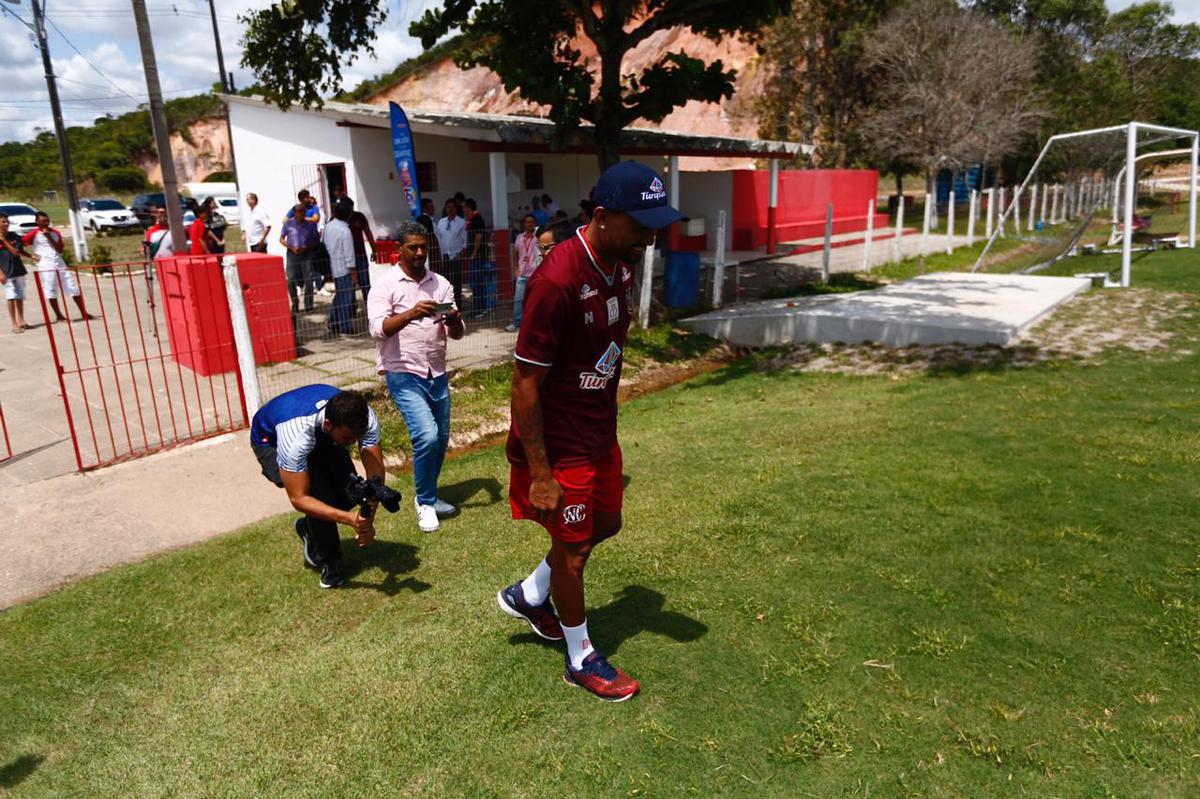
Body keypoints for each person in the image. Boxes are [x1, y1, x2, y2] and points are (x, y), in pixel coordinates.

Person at [497, 161, 683, 702]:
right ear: (602, 217)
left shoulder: (620, 263)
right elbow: (525, 383)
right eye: (642, 223)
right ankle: (580, 657)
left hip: (600, 431)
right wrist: (540, 471)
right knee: (573, 552)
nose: (653, 235)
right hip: (560, 445)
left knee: (607, 523)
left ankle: (531, 592)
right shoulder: (556, 281)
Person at [367, 220, 465, 534]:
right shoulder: (386, 285)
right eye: (413, 247)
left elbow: (457, 334)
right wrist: (411, 313)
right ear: (399, 250)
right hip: (403, 372)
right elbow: (377, 329)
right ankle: (423, 502)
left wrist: (455, 321)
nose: (420, 253)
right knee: (426, 435)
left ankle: (431, 496)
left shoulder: (441, 284)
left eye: (424, 247)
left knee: (441, 440)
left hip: (436, 372)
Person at [250, 385, 383, 589]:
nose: (354, 442)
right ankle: (331, 562)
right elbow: (299, 499)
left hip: (320, 429)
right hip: (271, 440)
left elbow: (375, 477)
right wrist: (350, 519)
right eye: (349, 438)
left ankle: (308, 528)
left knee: (349, 492)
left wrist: (367, 521)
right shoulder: (295, 438)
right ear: (329, 425)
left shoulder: (364, 417)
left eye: (358, 436)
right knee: (318, 494)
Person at [22, 212, 94, 322]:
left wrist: (49, 236)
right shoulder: (33, 234)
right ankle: (59, 315)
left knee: (72, 287)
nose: (46, 223)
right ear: (37, 222)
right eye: (43, 221)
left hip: (59, 262)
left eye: (47, 221)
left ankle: (83, 312)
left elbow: (60, 250)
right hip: (45, 264)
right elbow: (19, 245)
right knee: (51, 289)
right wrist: (31, 256)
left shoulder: (55, 233)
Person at [322, 201, 356, 334]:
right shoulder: (345, 230)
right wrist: (353, 272)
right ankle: (344, 325)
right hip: (344, 268)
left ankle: (334, 321)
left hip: (332, 266)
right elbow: (349, 253)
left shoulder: (329, 226)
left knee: (340, 296)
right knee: (346, 298)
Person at [280, 202, 319, 314]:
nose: (301, 213)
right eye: (299, 211)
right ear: (295, 212)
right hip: (292, 254)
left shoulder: (310, 225)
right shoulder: (288, 224)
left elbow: (316, 241)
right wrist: (291, 247)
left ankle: (308, 304)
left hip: (306, 254)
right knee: (291, 279)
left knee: (308, 279)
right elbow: (281, 238)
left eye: (303, 211)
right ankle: (295, 302)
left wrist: (306, 247)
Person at [463, 198, 497, 316]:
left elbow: (478, 237)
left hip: (478, 256)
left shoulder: (476, 220)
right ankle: (479, 307)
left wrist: (474, 253)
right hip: (477, 255)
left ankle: (479, 308)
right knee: (476, 283)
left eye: (464, 207)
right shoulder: (472, 220)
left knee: (477, 283)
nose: (463, 210)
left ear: (468, 207)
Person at [506, 213, 540, 332]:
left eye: (532, 222)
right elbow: (515, 254)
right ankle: (517, 322)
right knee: (518, 299)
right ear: (524, 224)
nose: (530, 224)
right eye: (527, 222)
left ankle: (535, 322)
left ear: (535, 223)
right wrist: (516, 268)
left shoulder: (538, 237)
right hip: (522, 274)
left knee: (536, 300)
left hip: (536, 274)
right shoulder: (519, 237)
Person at [433, 198, 467, 309]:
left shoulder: (461, 222)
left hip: (455, 255)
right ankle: (446, 308)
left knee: (457, 284)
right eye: (448, 207)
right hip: (444, 256)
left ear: (456, 209)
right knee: (444, 283)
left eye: (452, 207)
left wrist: (461, 253)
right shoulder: (441, 222)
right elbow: (439, 237)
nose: (450, 209)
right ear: (445, 209)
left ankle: (458, 307)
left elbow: (464, 240)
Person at [0, 213, 30, 333]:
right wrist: (0, 273)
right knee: (11, 296)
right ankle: (14, 323)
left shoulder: (14, 236)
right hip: (6, 273)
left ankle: (21, 320)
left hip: (18, 270)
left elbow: (16, 252)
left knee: (20, 296)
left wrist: (3, 240)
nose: (6, 224)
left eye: (7, 222)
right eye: (3, 222)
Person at [343, 197, 375, 307]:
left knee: (365, 283)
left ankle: (370, 307)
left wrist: (374, 250)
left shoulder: (359, 217)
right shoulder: (339, 220)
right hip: (346, 258)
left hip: (360, 255)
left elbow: (368, 233)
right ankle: (351, 308)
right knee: (349, 285)